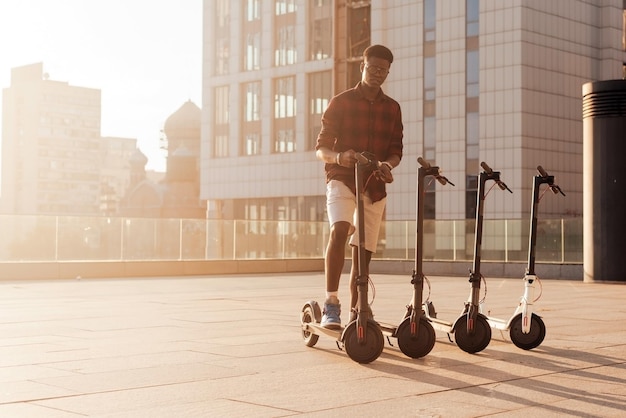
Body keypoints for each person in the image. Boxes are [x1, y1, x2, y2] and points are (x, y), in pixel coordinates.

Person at [315, 44, 404, 329]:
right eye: (372, 68)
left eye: (383, 70)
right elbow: (322, 148)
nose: (377, 74)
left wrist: (387, 166)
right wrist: (341, 156)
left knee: (363, 252)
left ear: (388, 72)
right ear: (362, 67)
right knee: (339, 229)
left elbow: (396, 150)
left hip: (374, 184)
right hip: (342, 177)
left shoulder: (392, 108)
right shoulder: (340, 102)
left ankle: (359, 309)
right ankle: (331, 303)